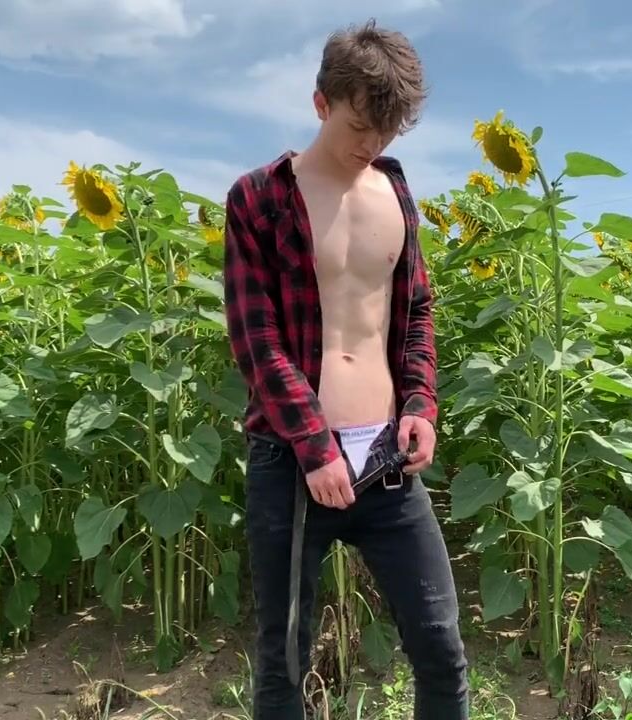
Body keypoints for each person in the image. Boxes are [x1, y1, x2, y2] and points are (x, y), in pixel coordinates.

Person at [222, 18, 469, 720]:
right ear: (320, 103)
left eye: (386, 132)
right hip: (292, 465)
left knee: (441, 646)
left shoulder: (394, 191)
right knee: (285, 659)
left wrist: (420, 405)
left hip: (387, 461)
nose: (371, 145)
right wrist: (313, 444)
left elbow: (415, 310)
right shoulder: (259, 197)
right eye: (360, 126)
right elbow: (256, 339)